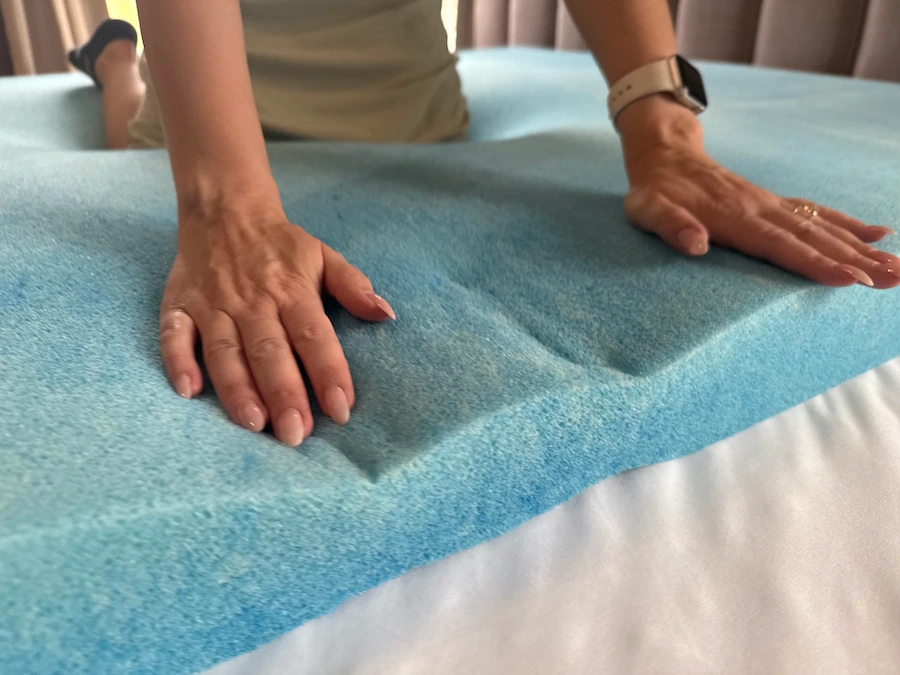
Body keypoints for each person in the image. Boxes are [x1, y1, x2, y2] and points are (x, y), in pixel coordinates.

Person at [68, 0, 899, 448]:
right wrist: (225, 206)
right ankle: (115, 61)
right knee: (130, 117)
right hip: (208, 106)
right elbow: (219, 198)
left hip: (408, 107)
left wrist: (665, 136)